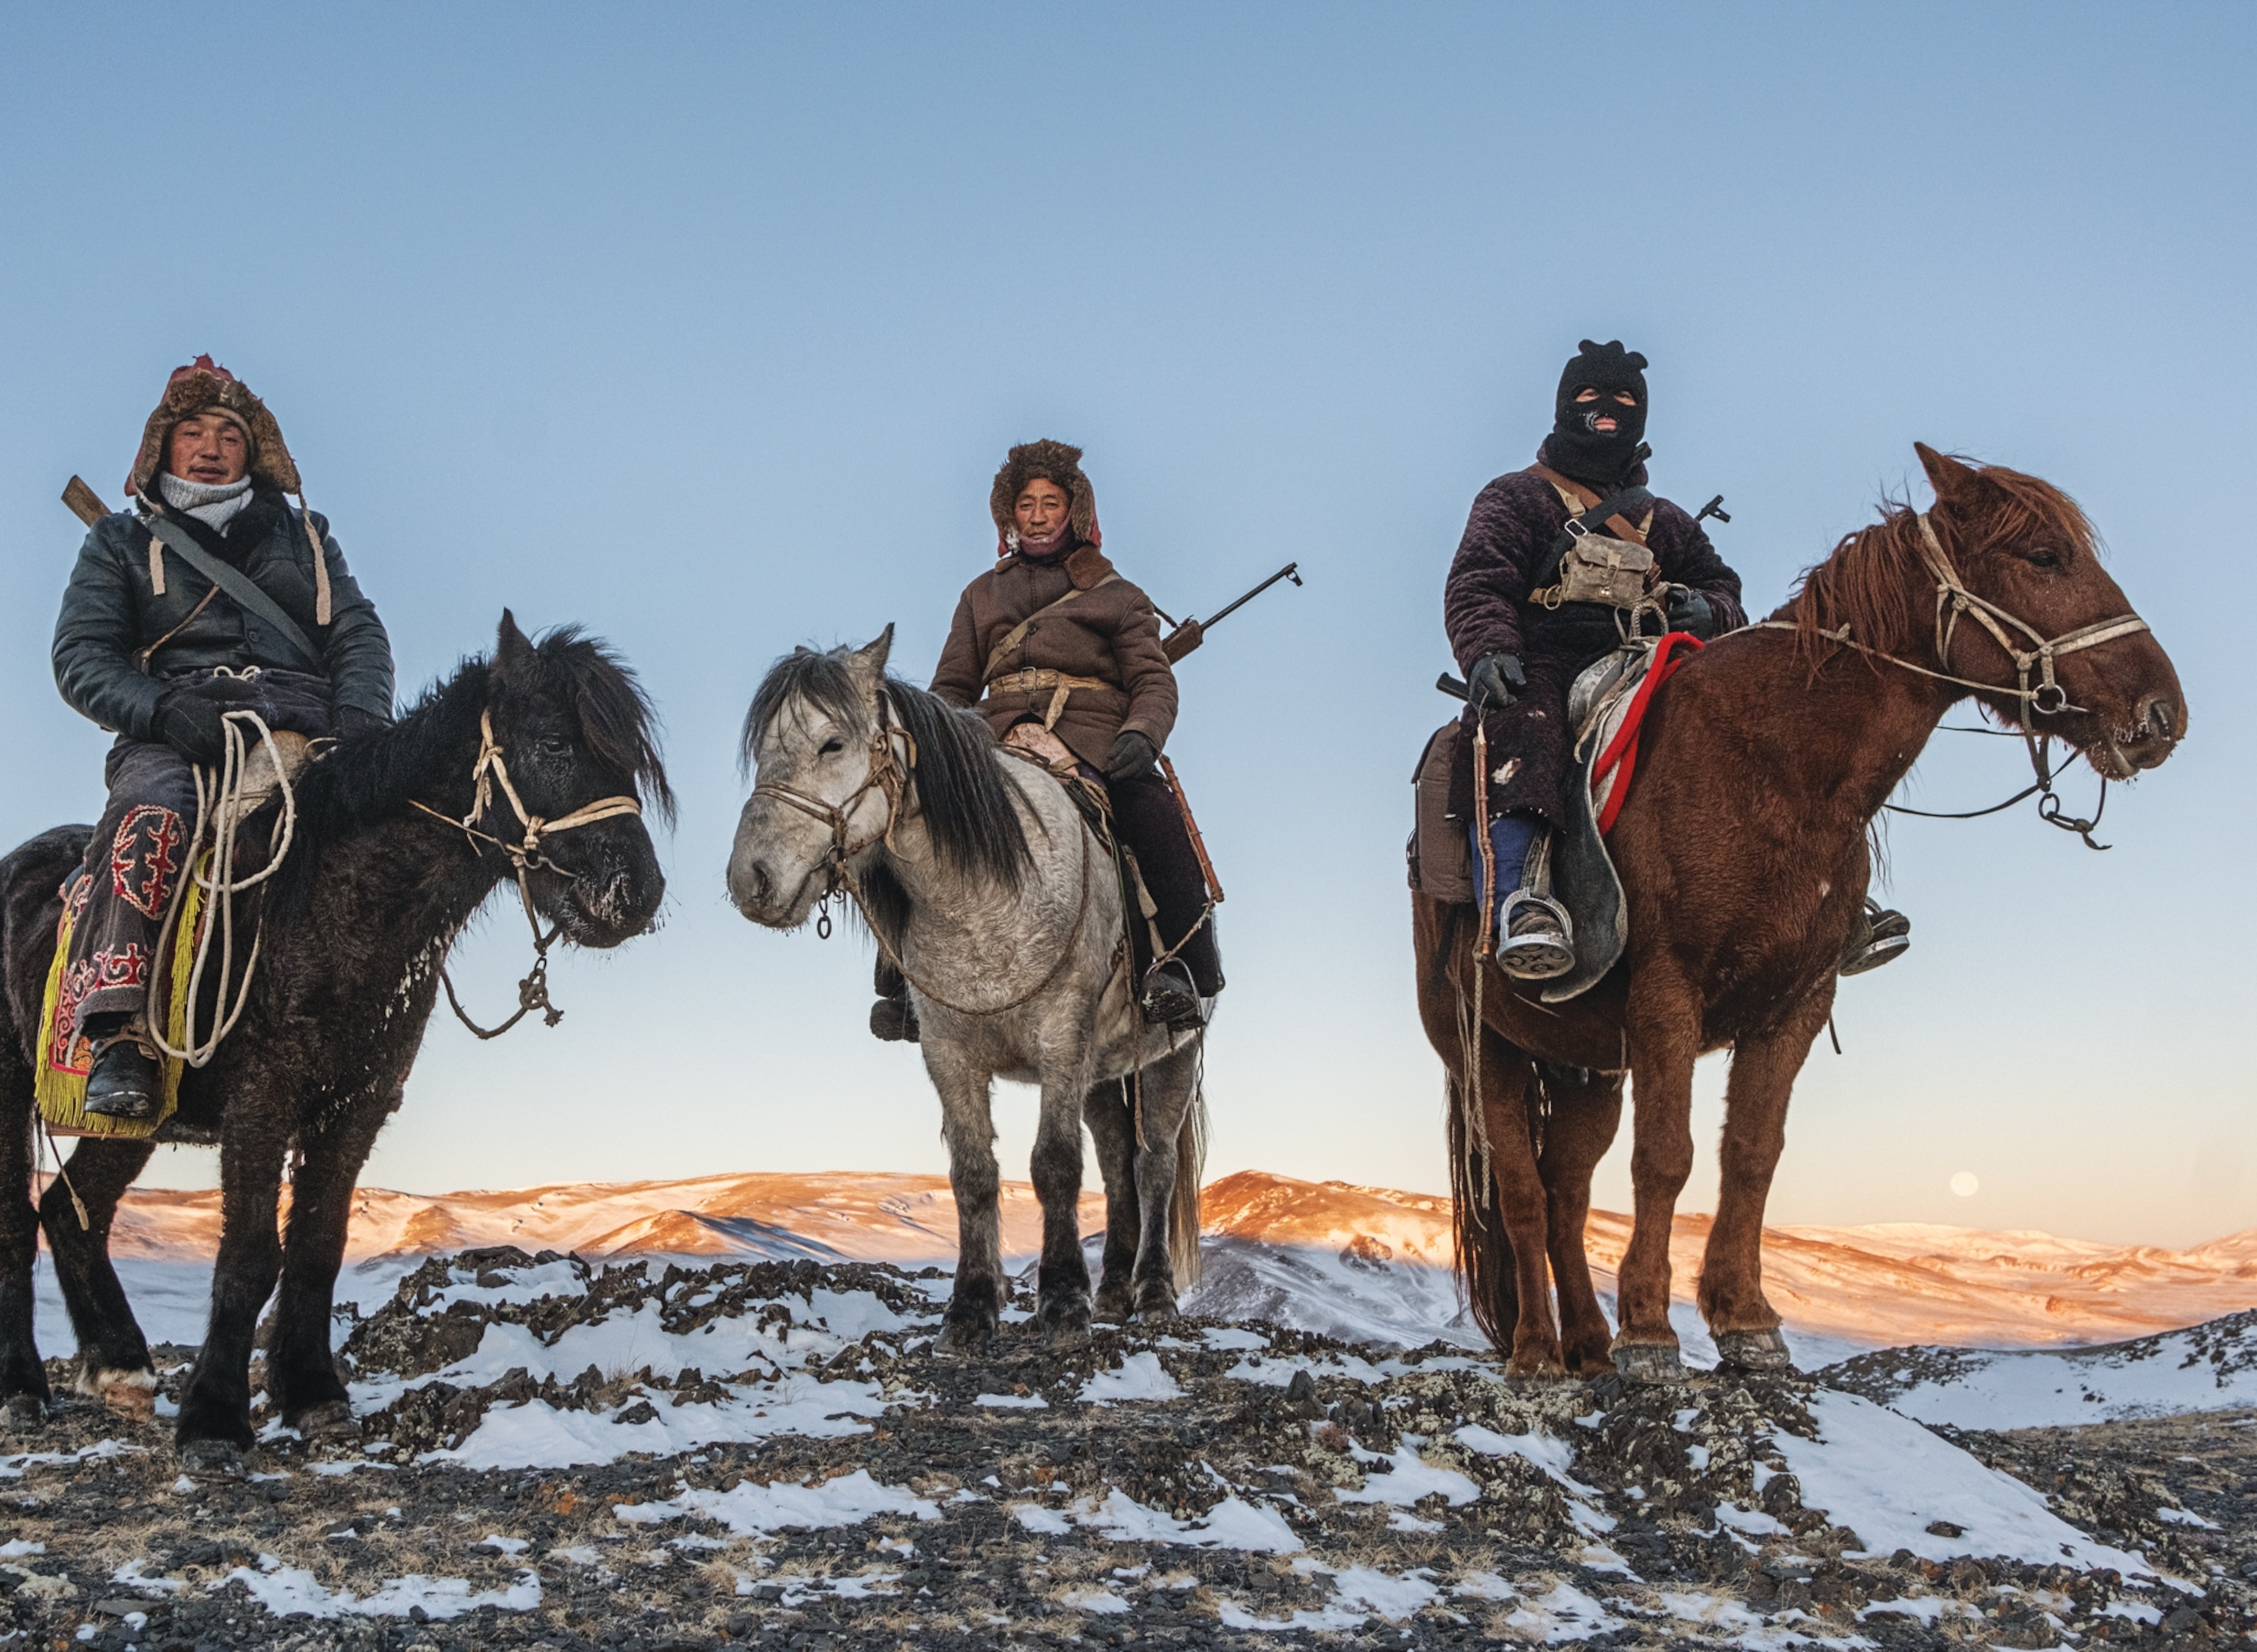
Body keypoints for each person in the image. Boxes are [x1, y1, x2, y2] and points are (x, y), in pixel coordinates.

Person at [1444, 339, 1909, 978]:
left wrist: (1708, 612)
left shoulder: (1666, 520)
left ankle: (1831, 903)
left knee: (1761, 724)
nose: (1608, 408)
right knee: (1527, 726)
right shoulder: (1514, 498)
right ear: (1563, 406)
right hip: (1546, 658)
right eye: (1590, 396)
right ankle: (1528, 902)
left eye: (1626, 399)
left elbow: (1725, 589)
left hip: (1653, 657)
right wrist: (1489, 649)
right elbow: (1478, 581)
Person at [49, 356, 395, 1117]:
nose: (209, 446)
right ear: (163, 447)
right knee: (152, 816)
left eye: (229, 434)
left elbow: (358, 633)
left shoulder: (308, 538)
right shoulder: (115, 542)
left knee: (388, 839)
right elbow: (80, 656)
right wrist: (160, 709)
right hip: (175, 725)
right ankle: (120, 1033)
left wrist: (361, 721)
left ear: (253, 451)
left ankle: (369, 1040)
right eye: (193, 431)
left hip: (303, 718)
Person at [872, 439, 1223, 1039]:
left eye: (1050, 503)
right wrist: (945, 745)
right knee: (908, 820)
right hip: (990, 743)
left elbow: (1152, 681)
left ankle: (1179, 968)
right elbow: (951, 687)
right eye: (1027, 503)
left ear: (1074, 511)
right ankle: (906, 981)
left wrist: (1141, 735)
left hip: (1092, 738)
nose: (1036, 515)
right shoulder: (979, 595)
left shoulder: (1118, 595)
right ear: (1009, 514)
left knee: (1152, 814)